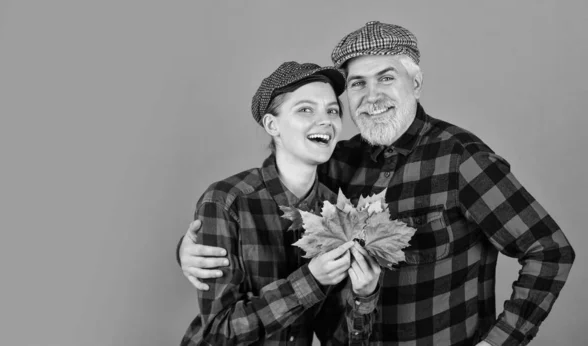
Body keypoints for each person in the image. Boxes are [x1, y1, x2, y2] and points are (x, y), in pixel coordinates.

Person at [179, 22, 575, 345]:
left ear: (415, 83)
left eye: (386, 77)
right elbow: (273, 207)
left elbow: (550, 250)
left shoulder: (460, 158)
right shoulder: (337, 160)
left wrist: (500, 343)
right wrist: (190, 248)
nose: (372, 96)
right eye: (357, 84)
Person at [180, 61, 382, 346]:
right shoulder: (227, 202)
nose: (325, 120)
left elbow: (338, 339)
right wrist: (310, 281)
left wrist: (364, 296)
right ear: (272, 125)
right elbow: (218, 333)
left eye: (332, 110)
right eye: (305, 109)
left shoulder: (337, 213)